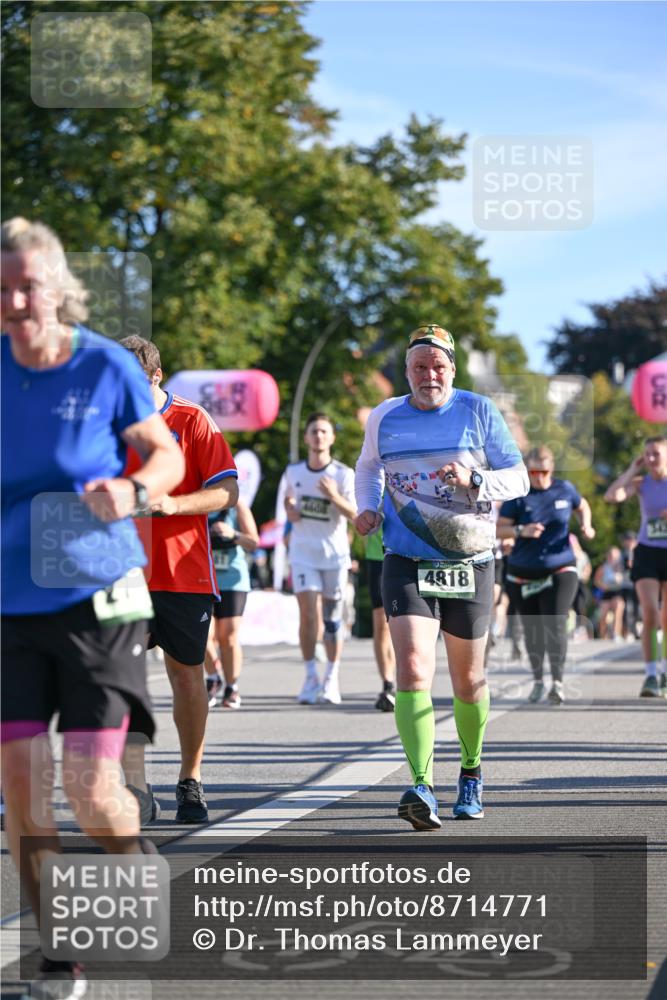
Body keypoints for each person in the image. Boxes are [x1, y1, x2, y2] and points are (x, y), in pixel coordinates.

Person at [0, 217, 185, 995]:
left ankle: (132, 858)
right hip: (9, 605)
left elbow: (165, 454)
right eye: (2, 289)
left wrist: (134, 489)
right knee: (21, 785)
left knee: (92, 793)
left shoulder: (104, 365)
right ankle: (58, 951)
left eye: (27, 286)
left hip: (97, 599)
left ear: (58, 289)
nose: (15, 302)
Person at [355, 324, 528, 828]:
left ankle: (470, 771)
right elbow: (368, 468)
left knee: (468, 680)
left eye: (437, 367)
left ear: (452, 369)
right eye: (419, 367)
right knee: (411, 667)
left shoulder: (478, 411)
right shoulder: (385, 416)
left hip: (469, 561)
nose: (428, 375)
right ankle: (421, 785)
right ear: (406, 371)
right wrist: (368, 506)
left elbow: (518, 478)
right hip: (406, 558)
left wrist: (475, 479)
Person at [120, 336, 239, 824]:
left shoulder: (192, 419)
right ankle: (134, 787)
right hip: (121, 572)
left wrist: (173, 504)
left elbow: (227, 491)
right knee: (120, 679)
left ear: (156, 376)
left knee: (186, 675)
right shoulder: (104, 423)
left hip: (183, 571)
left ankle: (190, 778)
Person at [497, 445, 596, 705]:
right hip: (523, 573)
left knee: (555, 622)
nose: (539, 477)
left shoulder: (565, 489)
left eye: (544, 472)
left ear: (551, 469)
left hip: (560, 567)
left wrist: (586, 525)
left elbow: (582, 506)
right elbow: (498, 529)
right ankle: (539, 680)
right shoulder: (518, 495)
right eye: (533, 472)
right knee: (533, 630)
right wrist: (521, 531)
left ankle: (558, 683)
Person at [279, 413, 357, 705]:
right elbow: (288, 505)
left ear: (332, 437)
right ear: (306, 437)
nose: (319, 436)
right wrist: (290, 511)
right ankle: (311, 675)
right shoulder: (293, 472)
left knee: (332, 619)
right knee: (308, 614)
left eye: (324, 431)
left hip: (334, 555)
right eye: (314, 431)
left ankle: (331, 677)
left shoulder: (343, 474)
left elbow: (355, 515)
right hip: (303, 553)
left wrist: (334, 496)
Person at [604, 436, 667, 697]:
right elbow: (611, 496)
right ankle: (651, 675)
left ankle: (665, 672)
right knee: (650, 612)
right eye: (647, 454)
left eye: (656, 453)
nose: (651, 458)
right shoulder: (641, 483)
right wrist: (632, 469)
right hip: (647, 552)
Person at [204, 499, 259, 708]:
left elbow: (253, 543)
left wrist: (233, 534)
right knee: (201, 634)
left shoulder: (237, 506)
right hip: (203, 578)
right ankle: (213, 677)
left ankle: (231, 687)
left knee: (228, 636)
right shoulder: (196, 503)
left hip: (232, 580)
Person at [364, 525, 397, 711]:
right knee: (382, 623)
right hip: (378, 556)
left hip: (410, 554)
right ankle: (388, 684)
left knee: (406, 622)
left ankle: (412, 680)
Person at [593, 546, 625, 641]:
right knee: (603, 614)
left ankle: (616, 633)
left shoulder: (622, 567)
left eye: (615, 556)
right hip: (606, 592)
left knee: (618, 609)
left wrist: (621, 579)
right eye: (611, 556)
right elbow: (596, 581)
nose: (613, 558)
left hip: (618, 592)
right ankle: (603, 635)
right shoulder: (603, 567)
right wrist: (603, 586)